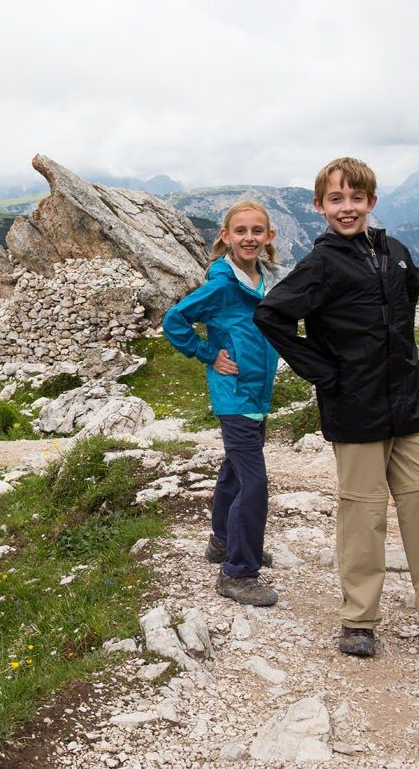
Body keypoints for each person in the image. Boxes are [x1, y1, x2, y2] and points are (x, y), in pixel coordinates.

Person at [253, 157, 419, 670]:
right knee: (362, 515)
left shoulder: (396, 253)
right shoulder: (319, 264)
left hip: (408, 403)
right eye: (336, 199)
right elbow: (270, 315)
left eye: (356, 198)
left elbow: (408, 299)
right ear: (319, 206)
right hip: (354, 406)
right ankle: (358, 620)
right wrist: (325, 371)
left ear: (372, 202)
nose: (347, 208)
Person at [163, 201, 287, 607]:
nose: (248, 238)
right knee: (254, 482)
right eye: (240, 231)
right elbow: (175, 319)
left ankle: (222, 541)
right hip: (234, 394)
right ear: (225, 236)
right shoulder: (221, 283)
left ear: (268, 237)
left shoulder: (261, 278)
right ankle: (238, 571)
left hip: (256, 392)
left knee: (235, 469)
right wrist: (205, 353)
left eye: (257, 231)